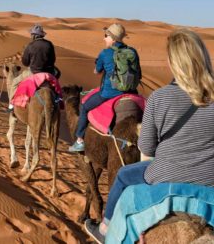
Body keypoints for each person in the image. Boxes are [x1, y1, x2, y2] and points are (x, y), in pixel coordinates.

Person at [84, 28, 214, 244]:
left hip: (165, 173)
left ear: (174, 62)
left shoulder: (159, 98)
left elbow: (146, 150)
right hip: (210, 177)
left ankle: (105, 229)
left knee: (125, 175)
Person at [68, 23, 140, 152]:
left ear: (113, 38)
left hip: (109, 93)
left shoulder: (105, 53)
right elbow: (138, 73)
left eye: (106, 36)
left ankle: (79, 140)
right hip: (131, 91)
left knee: (84, 107)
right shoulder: (132, 52)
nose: (104, 38)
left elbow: (97, 71)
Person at [7, 24, 56, 111]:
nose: (31, 36)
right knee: (56, 83)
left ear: (34, 35)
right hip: (48, 73)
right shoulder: (49, 44)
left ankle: (11, 105)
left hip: (33, 72)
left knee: (14, 82)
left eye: (32, 34)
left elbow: (25, 63)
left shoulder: (30, 46)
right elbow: (53, 60)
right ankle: (57, 99)